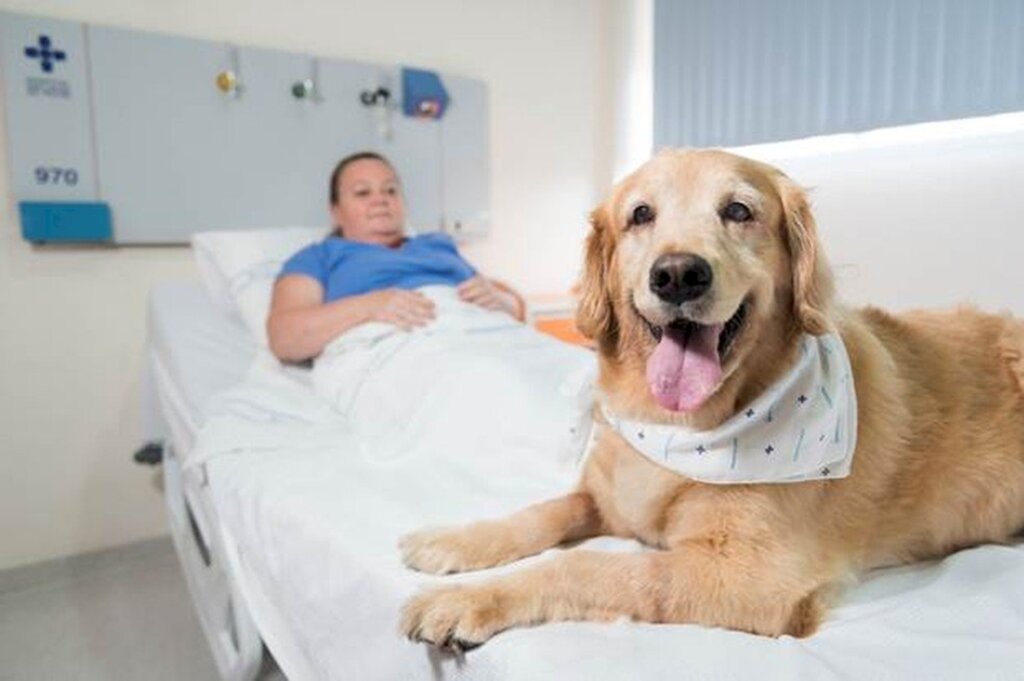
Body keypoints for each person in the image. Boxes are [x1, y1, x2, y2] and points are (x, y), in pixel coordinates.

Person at [268, 152, 524, 362]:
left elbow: (514, 306)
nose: (381, 199)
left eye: (390, 191)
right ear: (335, 211)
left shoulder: (438, 245)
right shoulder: (320, 256)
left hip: (487, 338)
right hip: (404, 350)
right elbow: (285, 338)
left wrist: (501, 301)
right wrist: (369, 306)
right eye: (362, 193)